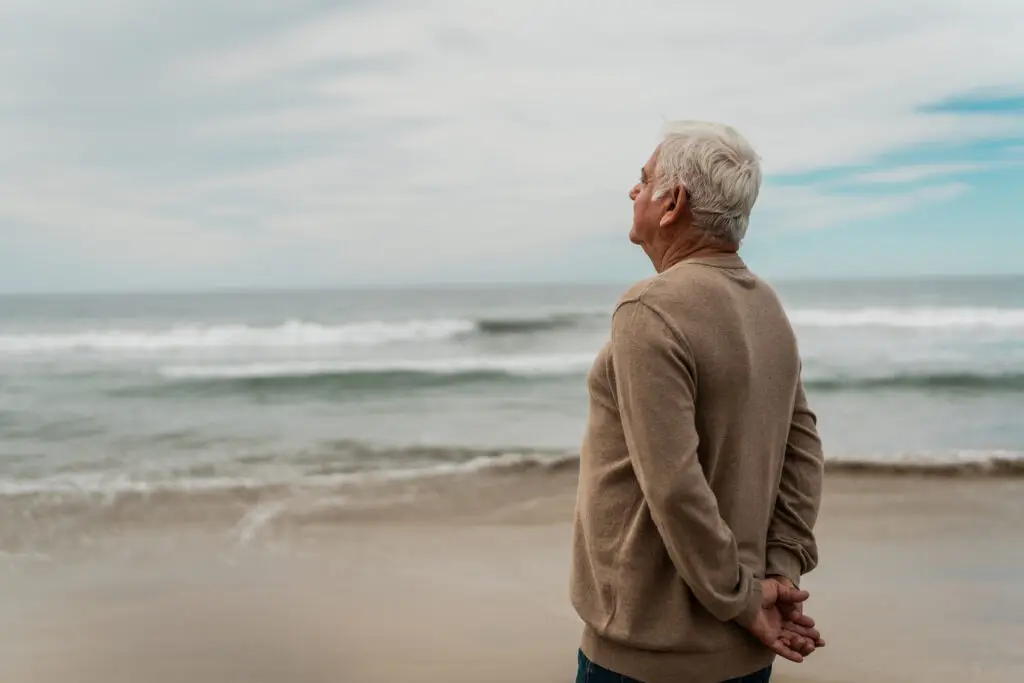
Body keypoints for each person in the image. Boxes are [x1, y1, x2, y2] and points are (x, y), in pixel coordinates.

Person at [570, 121, 826, 683]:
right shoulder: (766, 305)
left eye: (643, 180)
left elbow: (674, 483)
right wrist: (776, 575)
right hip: (747, 644)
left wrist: (741, 596)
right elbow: (802, 453)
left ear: (673, 203)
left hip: (647, 654)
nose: (633, 192)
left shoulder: (649, 308)